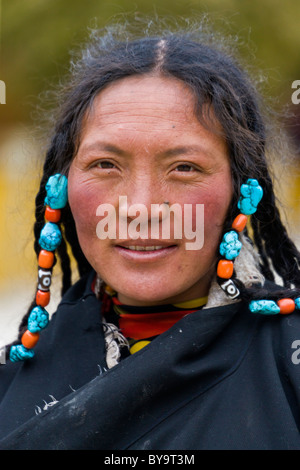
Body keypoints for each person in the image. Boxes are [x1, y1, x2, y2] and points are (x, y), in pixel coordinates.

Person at [0, 19, 300, 450]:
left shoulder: (288, 364)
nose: (140, 208)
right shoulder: (13, 380)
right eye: (106, 164)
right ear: (60, 187)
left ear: (241, 191)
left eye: (184, 168)